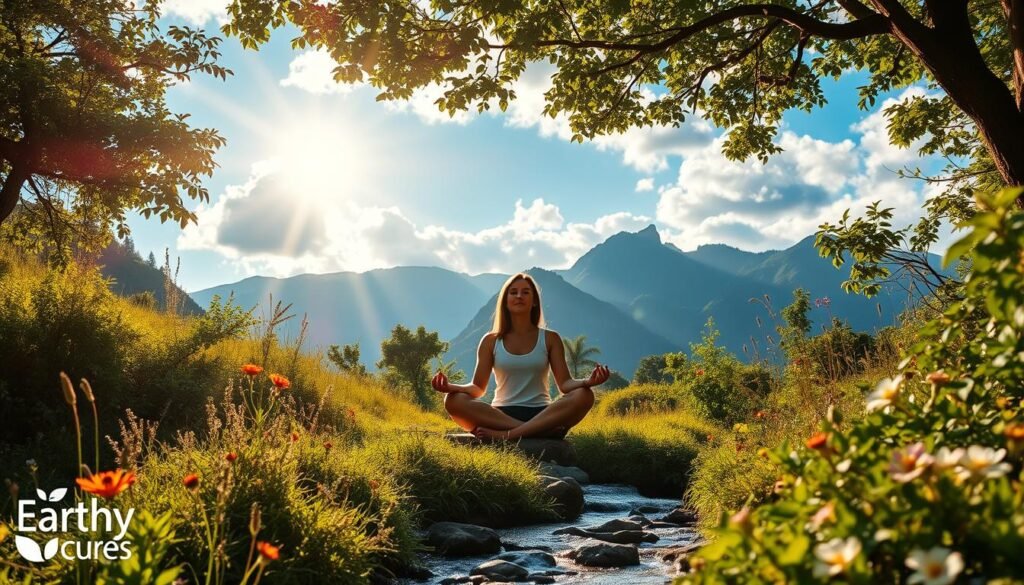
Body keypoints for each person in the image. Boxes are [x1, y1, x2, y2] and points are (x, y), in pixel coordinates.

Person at [431, 273, 609, 440]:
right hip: (500, 415)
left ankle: (507, 436)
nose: (519, 296)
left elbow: (565, 384)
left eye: (525, 292)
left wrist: (588, 382)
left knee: (584, 395)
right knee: (454, 400)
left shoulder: (550, 338)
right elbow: (478, 387)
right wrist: (450, 386)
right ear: (505, 301)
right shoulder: (491, 340)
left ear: (533, 301)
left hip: (542, 412)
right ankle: (536, 431)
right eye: (513, 292)